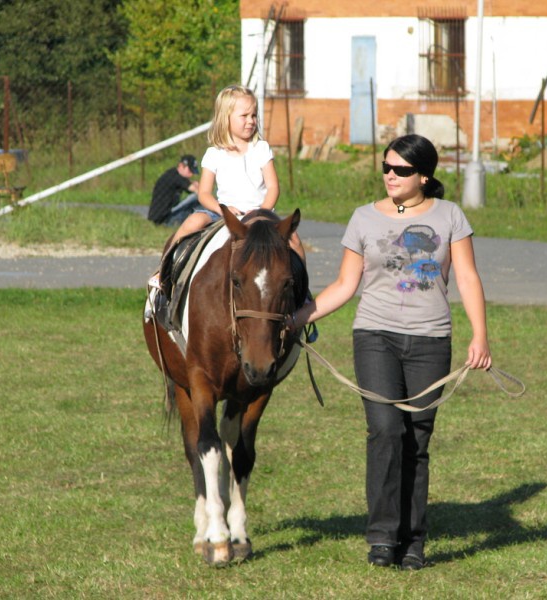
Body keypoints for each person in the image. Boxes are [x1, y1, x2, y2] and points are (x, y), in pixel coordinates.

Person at [287, 134, 492, 571]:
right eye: (386, 167)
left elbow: (469, 278)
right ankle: (382, 537)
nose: (390, 176)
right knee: (385, 430)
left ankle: (413, 541)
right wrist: (296, 320)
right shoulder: (363, 218)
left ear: (424, 176)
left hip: (431, 340)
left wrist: (481, 336)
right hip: (375, 337)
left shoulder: (450, 216)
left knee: (416, 438)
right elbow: (346, 285)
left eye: (400, 170)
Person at [168, 84, 305, 262]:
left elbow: (273, 187)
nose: (251, 121)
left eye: (254, 115)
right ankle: (165, 268)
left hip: (259, 214)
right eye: (244, 116)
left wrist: (261, 212)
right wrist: (222, 210)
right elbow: (203, 193)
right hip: (224, 213)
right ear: (226, 118)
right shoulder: (214, 154)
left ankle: (302, 287)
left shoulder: (261, 149)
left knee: (293, 240)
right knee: (193, 222)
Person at [147, 155, 201, 226]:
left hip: (161, 217)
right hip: (164, 219)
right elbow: (197, 191)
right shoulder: (176, 177)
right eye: (190, 171)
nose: (191, 175)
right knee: (196, 202)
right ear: (181, 166)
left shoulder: (173, 175)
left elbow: (190, 186)